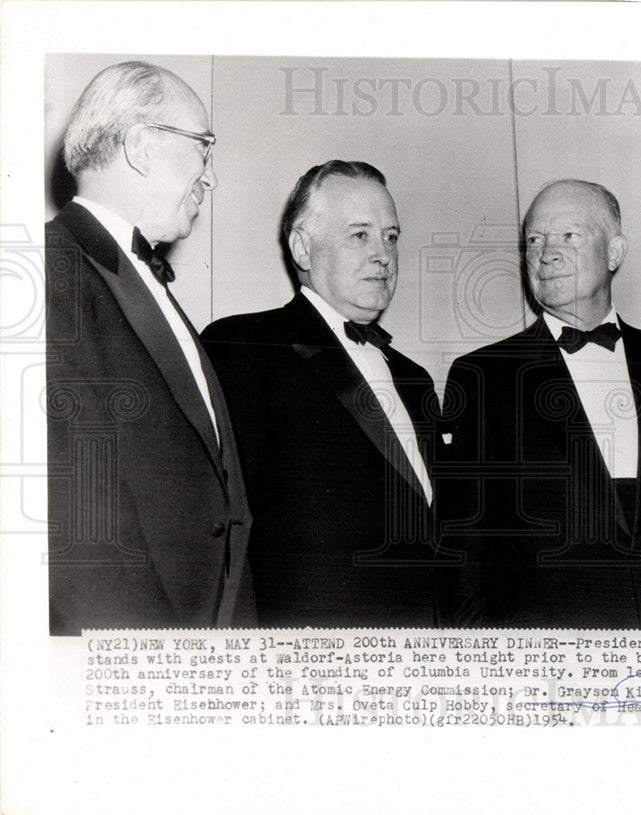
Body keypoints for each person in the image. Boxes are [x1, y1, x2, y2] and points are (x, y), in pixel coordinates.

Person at [437, 179, 641, 628]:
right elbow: (465, 558)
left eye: (569, 237)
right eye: (534, 240)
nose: (546, 253)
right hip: (553, 673)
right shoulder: (481, 376)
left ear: (614, 252)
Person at [46, 61, 254, 634]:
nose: (209, 178)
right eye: (203, 149)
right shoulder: (45, 273)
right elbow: (79, 530)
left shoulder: (141, 281)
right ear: (141, 146)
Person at [202, 160, 444, 626]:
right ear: (303, 248)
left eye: (391, 236)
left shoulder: (413, 379)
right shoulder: (244, 346)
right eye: (360, 235)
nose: (383, 255)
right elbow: (226, 534)